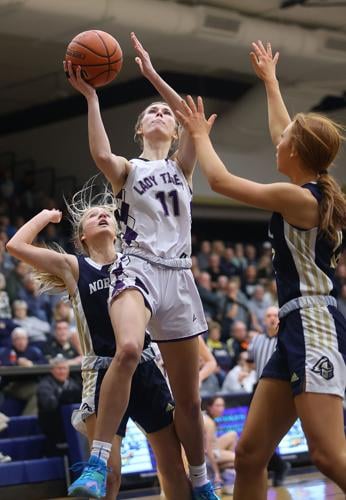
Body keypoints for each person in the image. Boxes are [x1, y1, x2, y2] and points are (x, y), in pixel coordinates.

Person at [176, 41, 346, 498]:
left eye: (286, 140)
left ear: (297, 151)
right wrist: (270, 81)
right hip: (294, 326)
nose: (279, 140)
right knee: (251, 455)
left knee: (329, 456)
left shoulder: (299, 198)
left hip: (314, 323)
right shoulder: (307, 185)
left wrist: (199, 135)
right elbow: (282, 129)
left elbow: (220, 182)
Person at [63, 32, 218, 499]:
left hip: (180, 276)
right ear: (138, 129)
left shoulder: (183, 167)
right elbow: (99, 155)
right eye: (151, 110)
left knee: (188, 402)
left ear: (172, 132)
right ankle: (95, 463)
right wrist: (92, 97)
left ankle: (201, 481)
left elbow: (196, 125)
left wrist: (153, 76)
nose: (160, 112)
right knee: (128, 349)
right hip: (138, 268)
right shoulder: (129, 170)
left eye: (165, 114)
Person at [5, 182, 192, 500]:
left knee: (174, 467)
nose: (102, 216)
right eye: (93, 216)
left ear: (119, 229)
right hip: (103, 372)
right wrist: (45, 216)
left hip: (145, 368)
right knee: (110, 475)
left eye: (106, 213)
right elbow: (15, 245)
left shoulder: (136, 262)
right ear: (81, 237)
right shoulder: (75, 267)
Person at [247, 305, 291, 487]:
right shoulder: (256, 340)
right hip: (258, 387)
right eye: (268, 316)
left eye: (275, 315)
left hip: (281, 387)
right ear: (264, 320)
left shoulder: (286, 339)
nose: (272, 318)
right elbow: (249, 362)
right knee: (256, 435)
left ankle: (278, 465)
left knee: (267, 435)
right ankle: (278, 465)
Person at [37, 355, 82, 456]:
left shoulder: (74, 384)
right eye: (59, 369)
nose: (62, 371)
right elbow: (48, 404)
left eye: (65, 368)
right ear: (52, 370)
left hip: (74, 424)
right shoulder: (44, 384)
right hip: (54, 425)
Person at [203, 397, 237, 495]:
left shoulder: (207, 417)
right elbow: (209, 449)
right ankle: (225, 477)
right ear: (209, 407)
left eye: (222, 405)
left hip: (212, 450)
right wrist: (216, 472)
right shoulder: (209, 422)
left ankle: (226, 472)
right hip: (208, 455)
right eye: (217, 405)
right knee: (238, 459)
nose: (221, 408)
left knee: (233, 434)